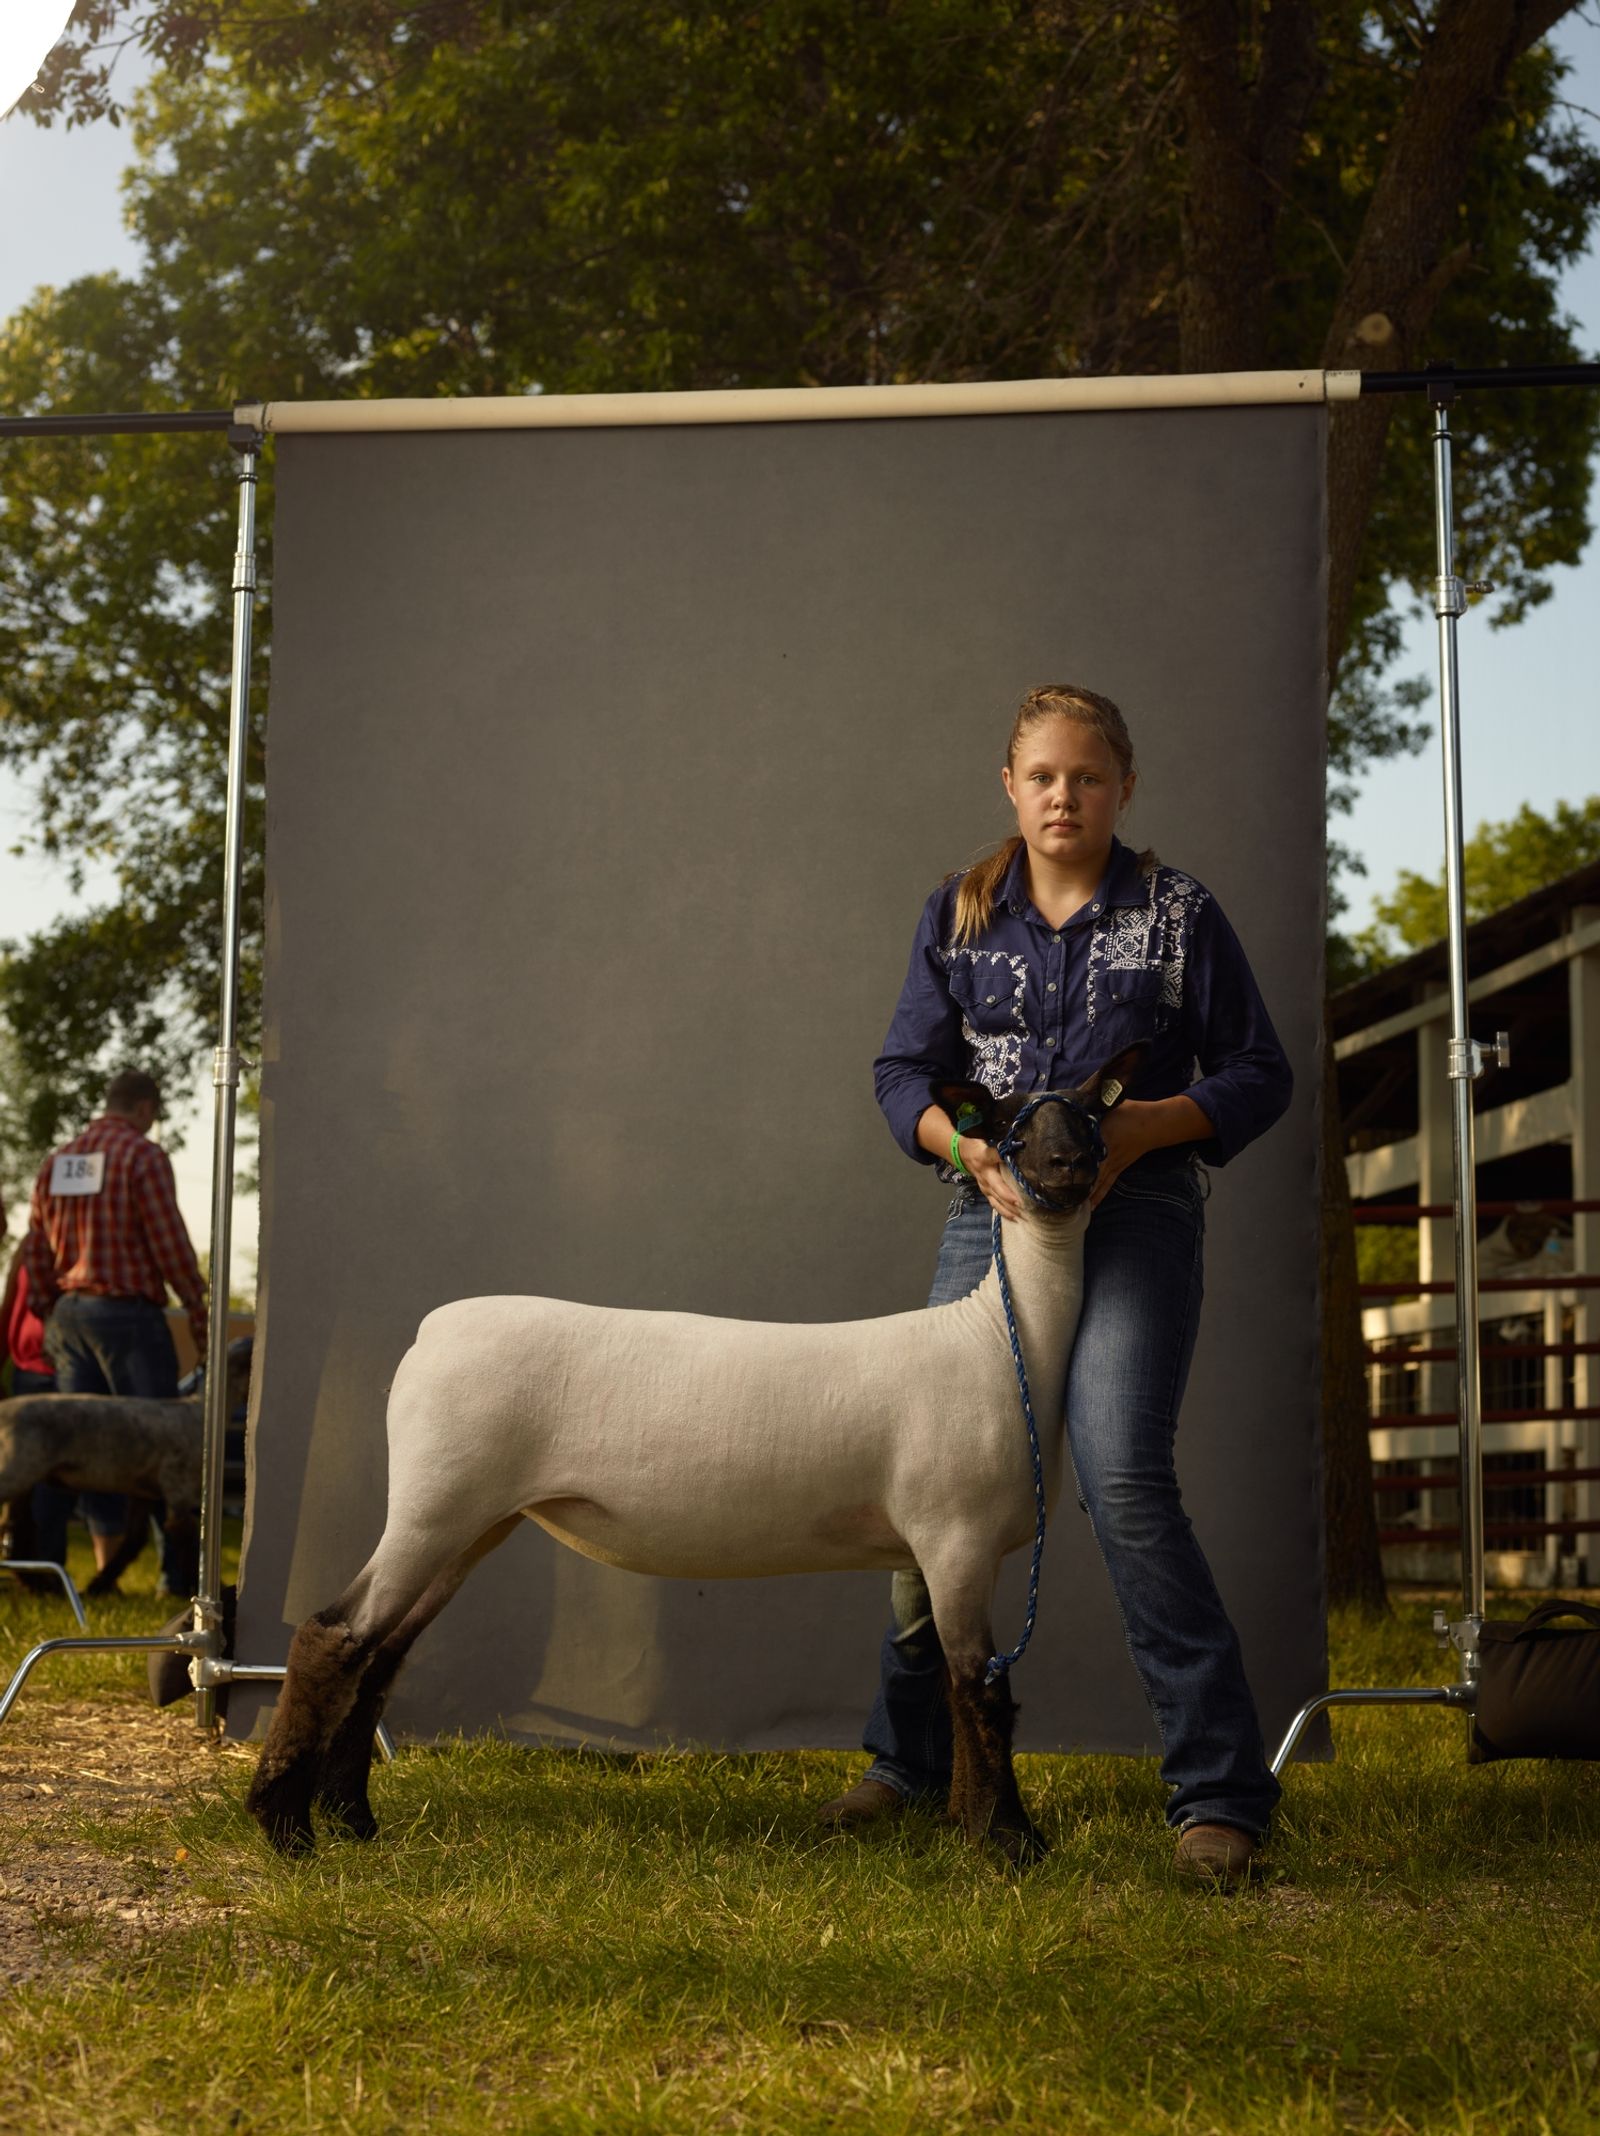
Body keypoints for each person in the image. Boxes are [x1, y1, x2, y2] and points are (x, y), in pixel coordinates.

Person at [818, 683, 1293, 1889]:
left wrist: (1149, 1133)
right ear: (1011, 786)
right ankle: (910, 1761)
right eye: (1042, 777)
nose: (1063, 797)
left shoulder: (1178, 912)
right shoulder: (962, 910)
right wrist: (957, 1145)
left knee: (1124, 1473)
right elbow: (898, 1070)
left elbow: (1258, 1072)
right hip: (996, 1219)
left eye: (1087, 777)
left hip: (1134, 1213)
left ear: (1122, 786)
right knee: (933, 1486)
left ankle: (1219, 1791)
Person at [22, 1068, 208, 1582]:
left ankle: (58, 1569)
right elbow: (168, 1242)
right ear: (145, 1108)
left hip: (70, 1316)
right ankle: (176, 1578)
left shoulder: (59, 1161)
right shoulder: (142, 1156)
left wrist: (48, 1307)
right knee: (163, 1446)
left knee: (77, 1447)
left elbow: (35, 1247)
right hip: (127, 1319)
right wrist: (196, 1307)